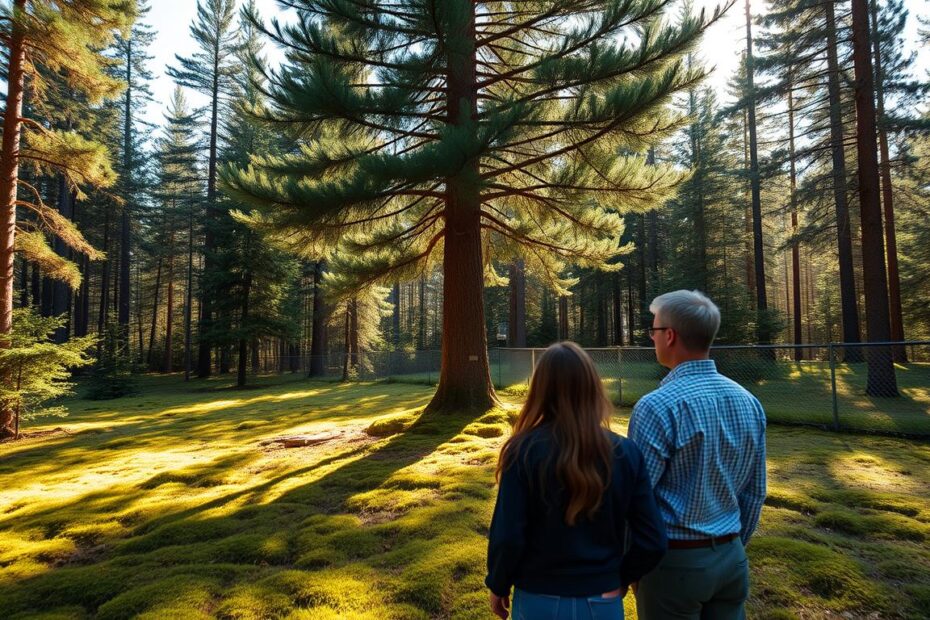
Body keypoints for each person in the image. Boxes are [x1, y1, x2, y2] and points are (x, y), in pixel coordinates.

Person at [486, 342, 667, 620]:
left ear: (540, 389)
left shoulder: (521, 451)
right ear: (592, 387)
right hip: (602, 601)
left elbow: (508, 535)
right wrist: (619, 578)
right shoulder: (625, 453)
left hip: (537, 599)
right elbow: (652, 539)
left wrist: (498, 584)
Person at [628, 290, 767, 620]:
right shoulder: (749, 401)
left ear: (670, 336)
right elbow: (755, 492)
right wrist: (732, 543)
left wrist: (631, 564)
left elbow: (636, 499)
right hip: (732, 558)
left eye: (654, 330)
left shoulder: (656, 407)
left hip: (674, 564)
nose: (653, 338)